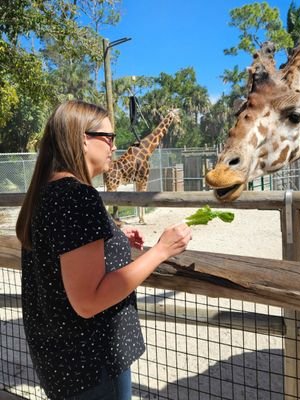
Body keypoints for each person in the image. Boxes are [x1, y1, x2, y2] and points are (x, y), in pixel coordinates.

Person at [15, 100, 192, 400]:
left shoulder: (47, 192)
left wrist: (113, 237)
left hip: (60, 363)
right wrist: (161, 250)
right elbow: (88, 301)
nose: (114, 146)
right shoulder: (77, 197)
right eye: (108, 137)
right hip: (92, 366)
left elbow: (62, 251)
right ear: (84, 138)